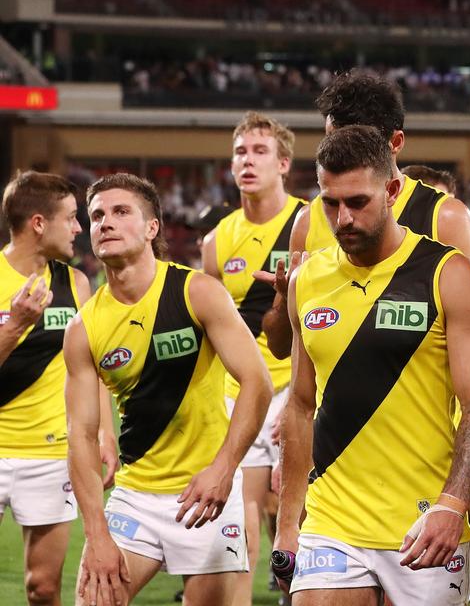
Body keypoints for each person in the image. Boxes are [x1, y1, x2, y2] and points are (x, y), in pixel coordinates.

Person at [254, 71, 470, 598]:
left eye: (358, 140)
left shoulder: (445, 222)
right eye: (332, 138)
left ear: (392, 155)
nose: (342, 216)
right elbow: (289, 349)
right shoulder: (308, 229)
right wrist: (280, 300)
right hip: (335, 494)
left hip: (423, 453)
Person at [63, 173, 272, 606]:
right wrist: (97, 532)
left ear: (153, 227)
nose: (106, 223)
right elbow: (79, 436)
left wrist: (223, 468)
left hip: (207, 493)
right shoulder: (83, 328)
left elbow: (258, 382)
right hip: (136, 497)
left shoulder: (198, 293)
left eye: (121, 212)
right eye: (97, 214)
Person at [200, 112, 306, 604]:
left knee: (300, 513)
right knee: (237, 516)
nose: (248, 160)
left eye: (260, 151)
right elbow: (212, 332)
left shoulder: (314, 223)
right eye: (241, 151)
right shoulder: (216, 241)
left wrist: (305, 397)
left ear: (284, 164)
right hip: (239, 391)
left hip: (301, 389)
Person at [0, 172, 115, 606]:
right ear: (38, 223)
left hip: (50, 455)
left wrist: (105, 433)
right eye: (71, 217)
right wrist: (15, 326)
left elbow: (91, 369)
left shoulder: (74, 284)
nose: (80, 228)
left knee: (44, 588)